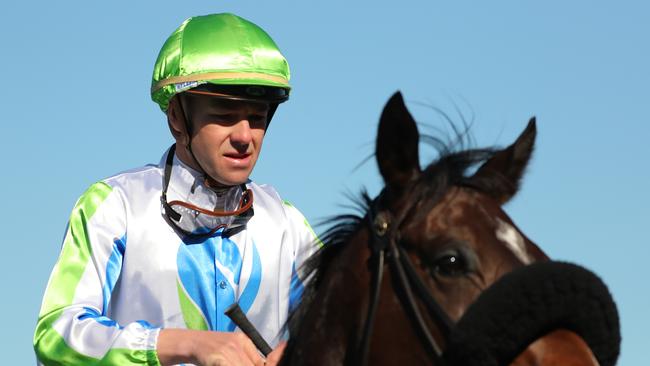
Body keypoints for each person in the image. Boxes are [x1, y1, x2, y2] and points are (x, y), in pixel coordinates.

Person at [33, 13, 319, 366]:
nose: (245, 136)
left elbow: (348, 318)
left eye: (257, 117)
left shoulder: (287, 224)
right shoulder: (114, 206)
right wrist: (186, 345)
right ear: (176, 118)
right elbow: (57, 333)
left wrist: (302, 353)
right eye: (225, 114)